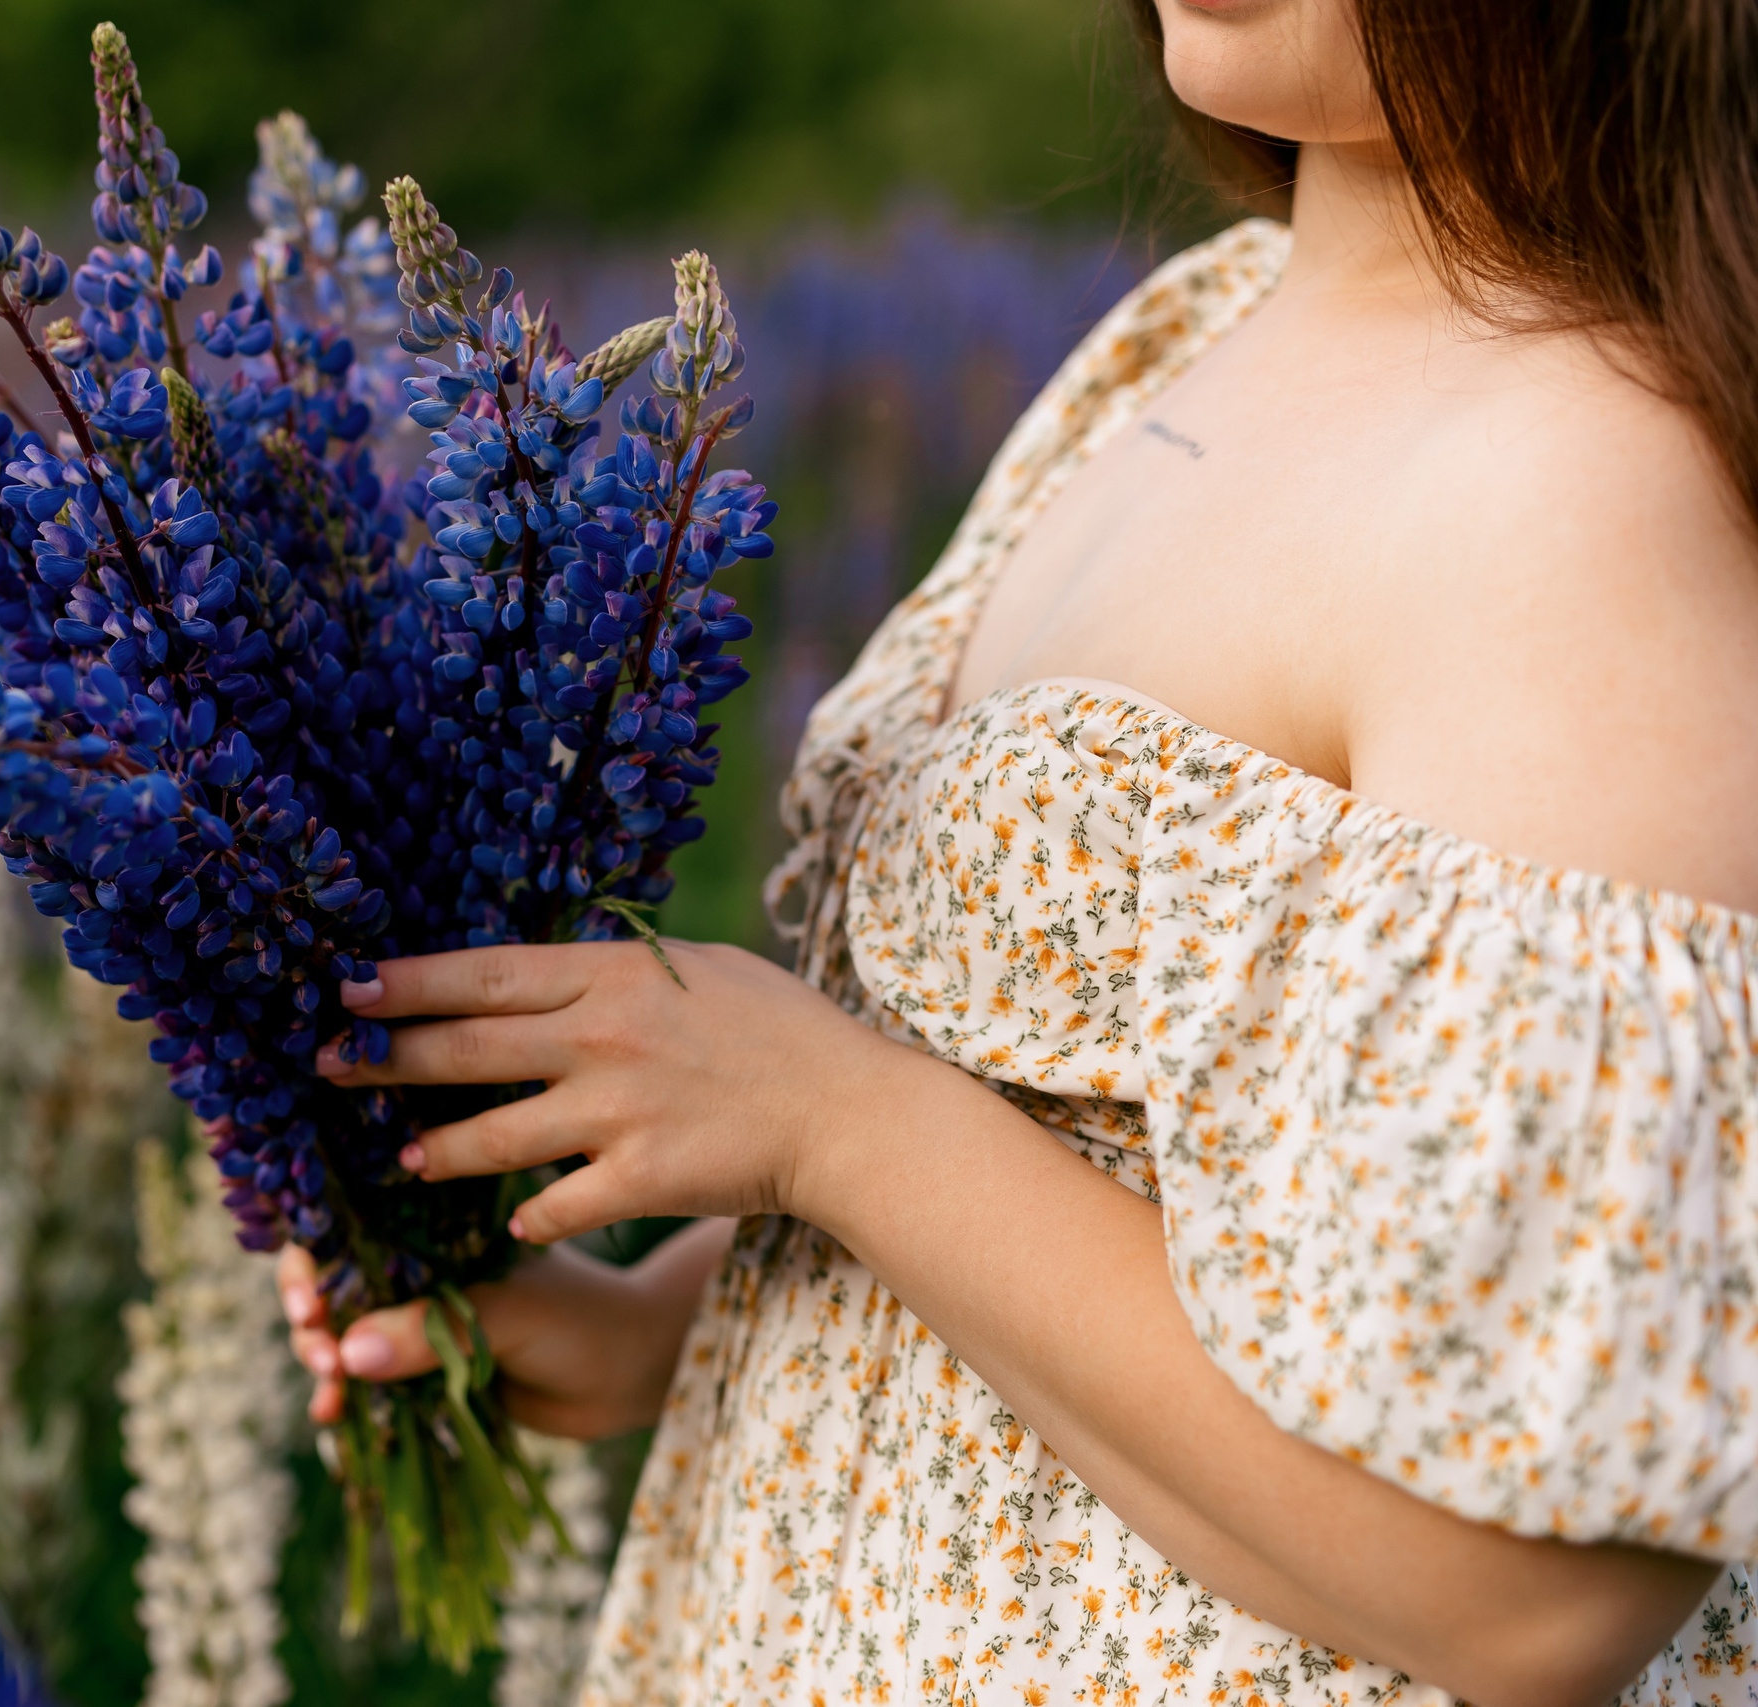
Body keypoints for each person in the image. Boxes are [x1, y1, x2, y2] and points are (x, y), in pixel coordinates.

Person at [279, 0, 1758, 1700]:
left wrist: (821, 1122)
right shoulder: (1183, 334)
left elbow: (1529, 1592)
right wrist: (655, 1321)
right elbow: (1148, 1181)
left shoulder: (1579, 496)